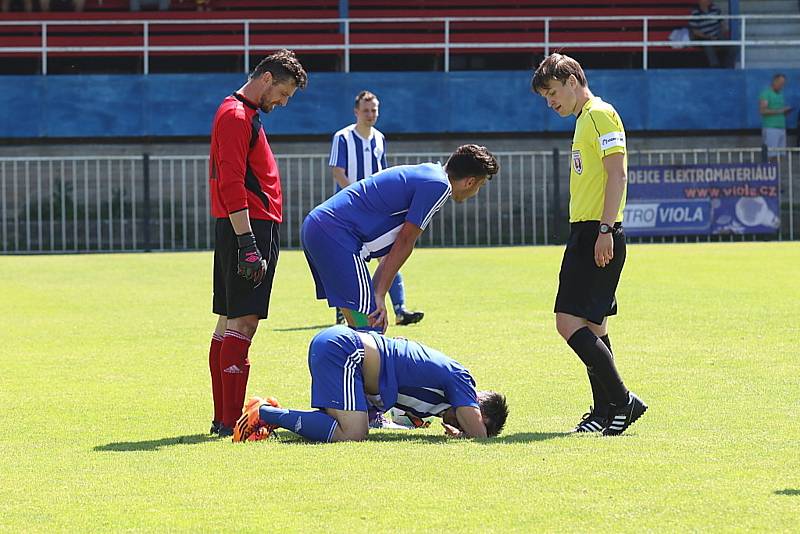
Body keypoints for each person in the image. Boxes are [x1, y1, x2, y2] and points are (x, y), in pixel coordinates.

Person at [531, 53, 647, 436]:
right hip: (588, 231)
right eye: (545, 98)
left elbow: (618, 174)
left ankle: (622, 400)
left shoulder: (599, 114)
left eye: (551, 93)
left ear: (570, 79)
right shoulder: (586, 119)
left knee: (567, 323)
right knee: (593, 327)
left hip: (595, 232)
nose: (550, 102)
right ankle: (603, 411)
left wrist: (605, 230)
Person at [207, 49, 307, 438]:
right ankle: (234, 423)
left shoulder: (240, 113)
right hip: (249, 227)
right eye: (283, 93)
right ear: (266, 79)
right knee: (244, 323)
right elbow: (232, 181)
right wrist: (248, 242)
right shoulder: (236, 116)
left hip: (240, 227)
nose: (282, 102)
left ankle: (223, 419)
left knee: (228, 323)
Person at [302, 144, 499, 333]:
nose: (476, 192)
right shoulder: (439, 186)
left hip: (320, 228)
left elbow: (394, 246)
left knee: (361, 325)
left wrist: (377, 292)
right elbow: (405, 241)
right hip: (335, 234)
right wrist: (378, 294)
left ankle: (347, 363)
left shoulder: (430, 174)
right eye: (480, 185)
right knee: (372, 325)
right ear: (470, 181)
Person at [232, 325, 509, 442]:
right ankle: (263, 414)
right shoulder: (462, 380)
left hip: (344, 350)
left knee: (340, 426)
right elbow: (480, 438)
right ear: (479, 414)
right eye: (472, 421)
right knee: (354, 433)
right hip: (346, 350)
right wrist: (470, 434)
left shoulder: (441, 401)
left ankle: (271, 410)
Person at [329, 90, 424, 327]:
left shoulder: (380, 138)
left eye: (374, 110)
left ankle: (400, 309)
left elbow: (384, 174)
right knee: (347, 260)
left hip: (377, 211)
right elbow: (337, 171)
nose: (370, 114)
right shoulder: (342, 137)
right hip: (350, 211)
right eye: (366, 110)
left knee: (389, 256)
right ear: (356, 112)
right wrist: (356, 197)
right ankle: (344, 311)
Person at [688, 0, 730, 68]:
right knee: (708, 45)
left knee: (733, 46)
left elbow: (723, 23)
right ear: (700, 1)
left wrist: (721, 32)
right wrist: (708, 37)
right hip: (703, 36)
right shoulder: (695, 13)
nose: (709, 1)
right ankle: (715, 66)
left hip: (717, 34)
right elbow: (695, 31)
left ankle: (729, 67)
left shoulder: (715, 9)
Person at [759, 73, 791, 162]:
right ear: (774, 81)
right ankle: (767, 173)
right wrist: (779, 111)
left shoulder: (781, 95)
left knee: (780, 154)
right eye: (780, 83)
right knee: (770, 154)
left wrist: (785, 112)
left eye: (783, 84)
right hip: (771, 128)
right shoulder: (766, 93)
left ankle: (776, 174)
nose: (782, 86)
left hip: (781, 128)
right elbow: (762, 111)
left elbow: (780, 111)